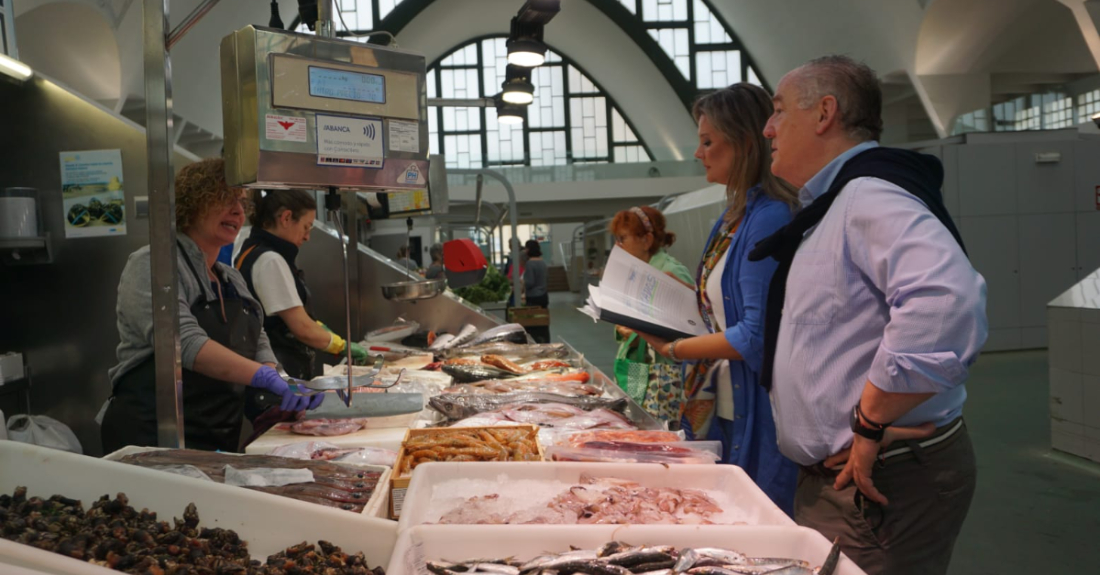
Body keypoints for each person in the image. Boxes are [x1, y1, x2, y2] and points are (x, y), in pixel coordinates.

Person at [753, 55, 987, 575]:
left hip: (877, 480)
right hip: (844, 478)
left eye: (778, 111)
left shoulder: (868, 195)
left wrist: (870, 419)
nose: (768, 128)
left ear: (824, 113)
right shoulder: (835, 203)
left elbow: (946, 300)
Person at [636, 83, 799, 514]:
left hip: (755, 408)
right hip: (723, 400)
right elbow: (714, 307)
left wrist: (674, 348)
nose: (698, 152)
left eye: (708, 142)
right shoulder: (732, 217)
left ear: (745, 143)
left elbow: (752, 336)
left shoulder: (768, 218)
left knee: (753, 519)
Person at [101, 158, 321, 453]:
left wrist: (279, 379)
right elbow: (184, 344)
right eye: (225, 199)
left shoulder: (228, 276)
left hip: (217, 436)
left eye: (242, 203)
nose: (238, 211)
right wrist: (262, 376)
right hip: (155, 437)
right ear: (192, 203)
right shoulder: (153, 264)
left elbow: (258, 339)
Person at [234, 190, 369, 425]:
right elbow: (301, 327)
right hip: (279, 385)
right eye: (306, 227)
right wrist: (342, 346)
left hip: (276, 382)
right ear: (286, 218)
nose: (307, 237)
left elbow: (289, 316)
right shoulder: (270, 260)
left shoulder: (250, 249)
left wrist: (321, 329)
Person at [608, 206, 694, 423]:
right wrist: (623, 325)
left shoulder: (671, 271)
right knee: (635, 420)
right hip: (638, 367)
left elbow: (691, 327)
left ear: (646, 240)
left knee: (658, 429)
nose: (618, 246)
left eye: (623, 239)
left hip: (663, 371)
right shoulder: (637, 271)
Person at [522, 239, 550, 343]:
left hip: (533, 297)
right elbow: (547, 278)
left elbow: (530, 282)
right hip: (543, 296)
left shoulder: (530, 263)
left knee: (533, 322)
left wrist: (522, 283)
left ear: (529, 249)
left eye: (526, 248)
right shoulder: (542, 262)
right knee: (542, 321)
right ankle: (544, 340)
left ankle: (534, 341)